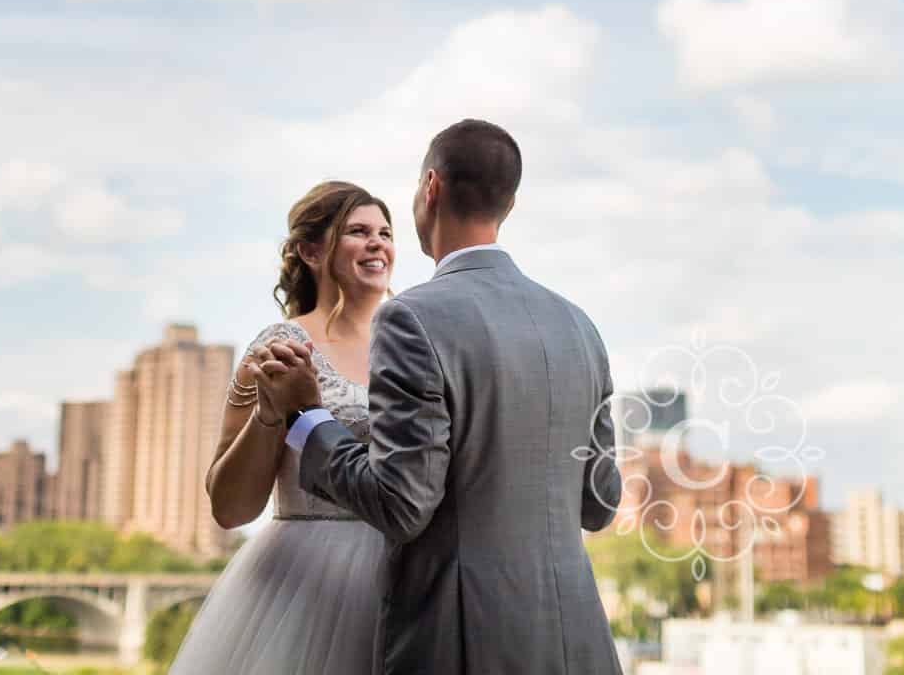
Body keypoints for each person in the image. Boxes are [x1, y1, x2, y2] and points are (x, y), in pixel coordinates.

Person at [250, 118, 624, 675]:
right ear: (510, 204)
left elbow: (401, 505)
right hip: (578, 643)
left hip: (461, 643)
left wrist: (307, 417)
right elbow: (600, 502)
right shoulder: (578, 326)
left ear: (431, 188)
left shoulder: (411, 318)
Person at [167, 180, 395, 675]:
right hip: (302, 582)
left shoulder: (418, 344)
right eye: (358, 231)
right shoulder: (278, 347)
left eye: (385, 231)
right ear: (311, 252)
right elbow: (230, 509)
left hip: (407, 578)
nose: (379, 242)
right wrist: (272, 413)